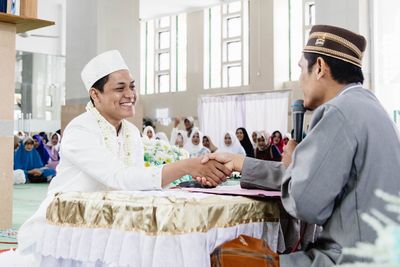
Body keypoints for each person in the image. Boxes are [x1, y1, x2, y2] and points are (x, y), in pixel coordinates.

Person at [0, 50, 230, 266]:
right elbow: (118, 178)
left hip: (116, 221)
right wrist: (185, 166)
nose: (130, 95)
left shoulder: (130, 131)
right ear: (95, 94)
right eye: (120, 88)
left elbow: (136, 184)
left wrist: (186, 182)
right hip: (70, 223)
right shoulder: (80, 129)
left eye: (132, 86)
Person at [200, 25, 400, 266]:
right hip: (382, 255)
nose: (299, 80)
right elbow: (320, 178)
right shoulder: (370, 108)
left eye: (300, 69)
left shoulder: (336, 112)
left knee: (226, 256)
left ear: (319, 67)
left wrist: (295, 164)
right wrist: (241, 164)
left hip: (347, 258)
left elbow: (306, 205)